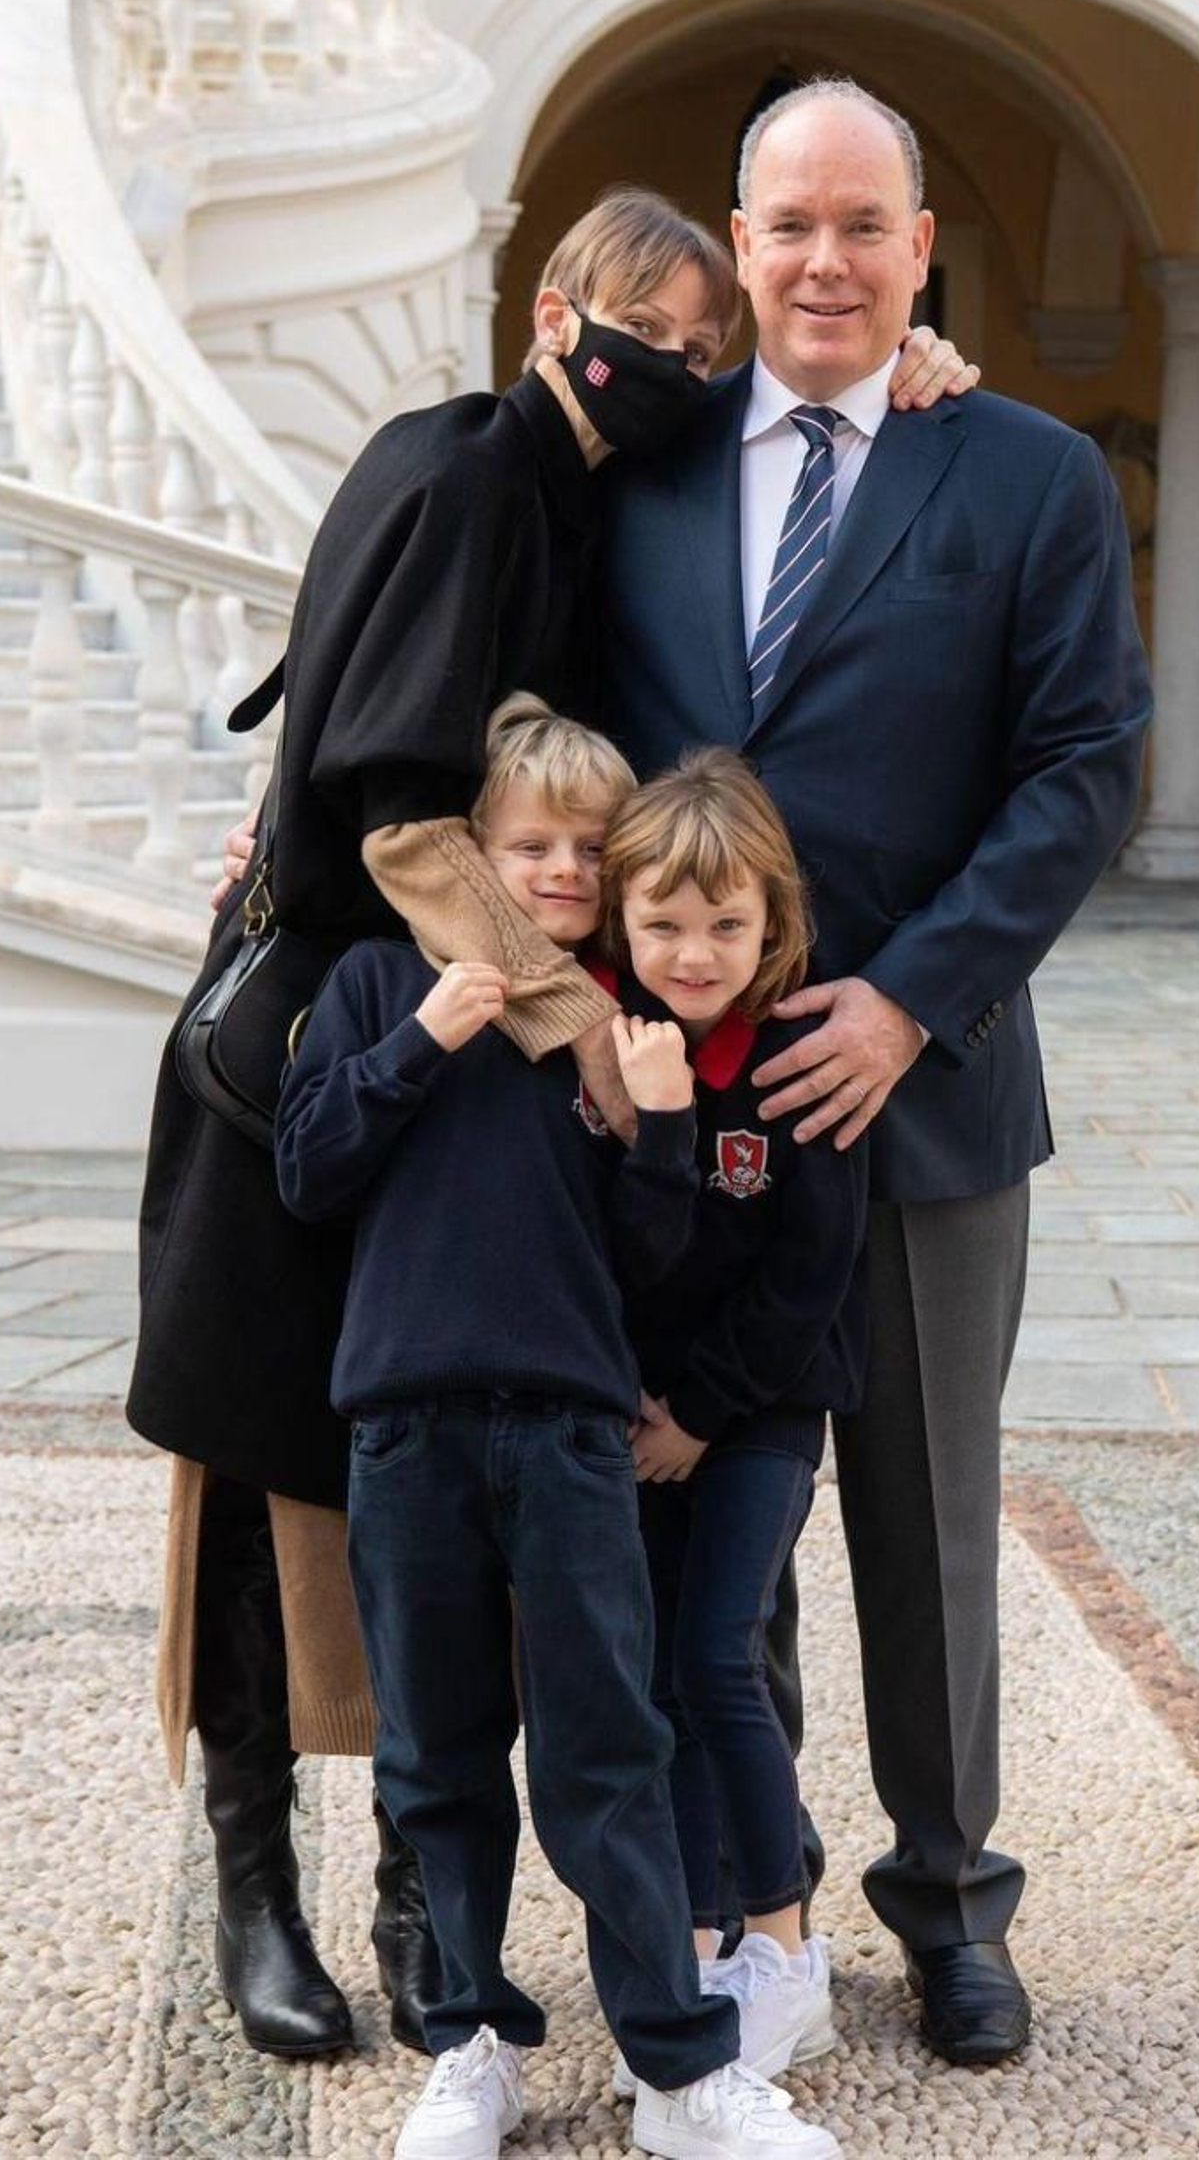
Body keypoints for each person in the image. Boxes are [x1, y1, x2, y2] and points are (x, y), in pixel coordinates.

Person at [132, 183, 971, 2059]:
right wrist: (585, 1022)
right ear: (546, 313)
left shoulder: (590, 494)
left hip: (478, 1078)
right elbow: (403, 817)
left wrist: (915, 375)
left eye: (701, 348)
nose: (672, 370)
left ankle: (433, 1895)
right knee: (270, 1472)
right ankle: (255, 1884)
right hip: (343, 1045)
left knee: (440, 1482)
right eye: (643, 335)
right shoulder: (453, 474)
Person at [591, 80, 1155, 2065]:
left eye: (861, 226)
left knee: (924, 1528)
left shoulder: (1017, 474)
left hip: (922, 1102)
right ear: (733, 249)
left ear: (923, 249)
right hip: (682, 1113)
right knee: (706, 1511)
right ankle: (758, 1904)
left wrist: (909, 995)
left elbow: (1082, 764)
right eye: (786, 225)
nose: (822, 261)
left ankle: (948, 1901)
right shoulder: (633, 473)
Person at [275, 698, 842, 2160]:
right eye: (530, 842)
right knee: (438, 1754)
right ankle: (470, 2042)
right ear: (478, 842)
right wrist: (416, 1040)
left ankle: (680, 2069)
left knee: (609, 1753)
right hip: (404, 1422)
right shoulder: (372, 981)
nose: (560, 871)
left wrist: (658, 1126)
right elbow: (306, 1170)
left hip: (575, 1432)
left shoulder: (615, 1031)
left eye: (590, 847)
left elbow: (650, 1263)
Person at [595, 753, 866, 2091]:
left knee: (719, 1656)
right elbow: (621, 1259)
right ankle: (699, 1931)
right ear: (618, 921)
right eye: (663, 924)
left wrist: (704, 1410)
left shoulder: (797, 1056)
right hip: (640, 1417)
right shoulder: (611, 1053)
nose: (694, 953)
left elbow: (813, 1269)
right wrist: (653, 1121)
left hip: (759, 1409)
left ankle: (785, 1942)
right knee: (652, 1674)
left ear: (776, 922)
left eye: (726, 924)